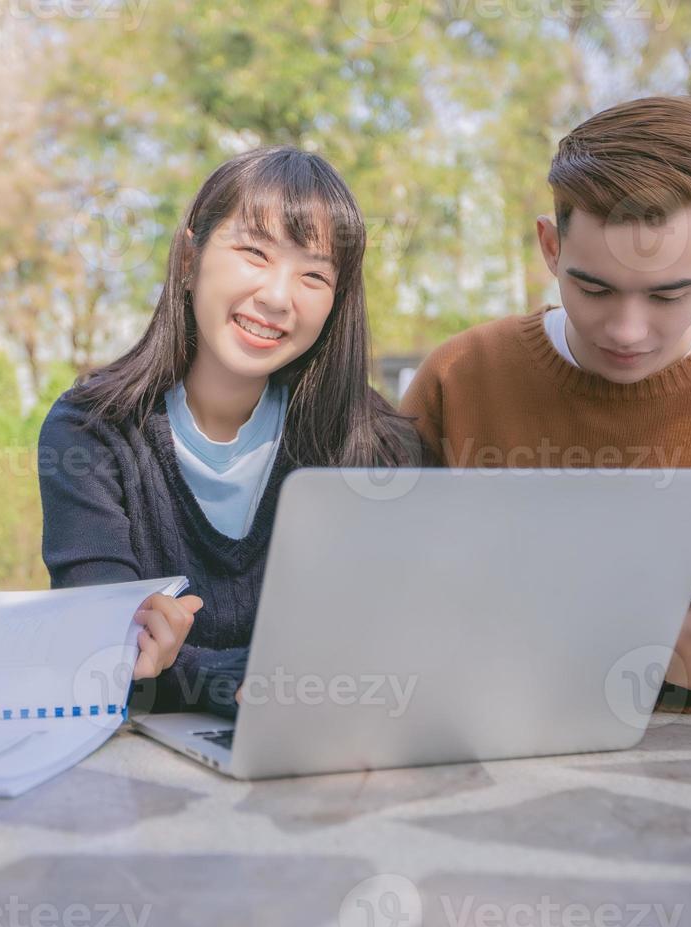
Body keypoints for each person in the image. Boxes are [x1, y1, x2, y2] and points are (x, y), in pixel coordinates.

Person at [399, 95, 691, 711]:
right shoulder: (458, 375)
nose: (626, 330)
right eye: (594, 287)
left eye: (667, 295)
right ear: (551, 248)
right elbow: (390, 577)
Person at [39, 146, 419, 718]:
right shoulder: (91, 435)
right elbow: (98, 651)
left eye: (314, 274)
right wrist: (239, 680)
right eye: (253, 252)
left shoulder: (375, 446)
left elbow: (397, 646)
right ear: (189, 260)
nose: (276, 297)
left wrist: (192, 666)